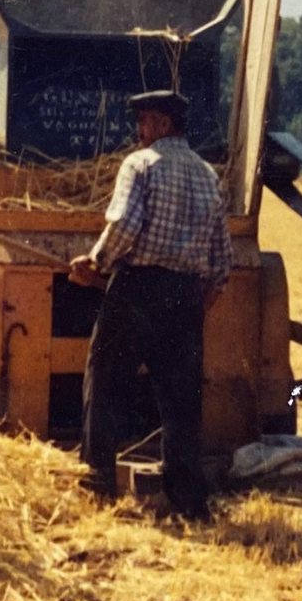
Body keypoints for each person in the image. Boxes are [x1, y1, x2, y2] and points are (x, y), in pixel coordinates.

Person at [69, 89, 232, 521]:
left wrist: (95, 262)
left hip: (137, 288)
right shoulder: (208, 176)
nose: (139, 132)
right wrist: (195, 304)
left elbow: (124, 224)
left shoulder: (140, 164)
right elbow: (221, 263)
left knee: (104, 385)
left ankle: (98, 486)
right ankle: (189, 501)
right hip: (185, 296)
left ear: (162, 124)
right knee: (181, 402)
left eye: (144, 122)